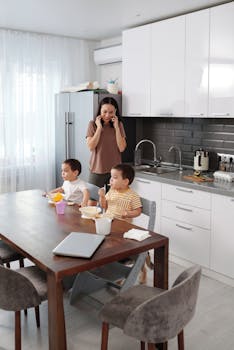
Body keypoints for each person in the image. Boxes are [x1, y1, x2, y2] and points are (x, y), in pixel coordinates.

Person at [98, 163, 151, 284]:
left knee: (113, 250)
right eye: (111, 177)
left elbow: (138, 211)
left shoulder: (132, 196)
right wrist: (102, 197)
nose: (111, 180)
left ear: (125, 181)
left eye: (115, 178)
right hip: (108, 223)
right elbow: (104, 206)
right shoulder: (111, 190)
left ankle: (125, 273)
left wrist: (127, 213)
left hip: (122, 228)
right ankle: (109, 270)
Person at [86, 97, 127, 188]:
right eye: (104, 112)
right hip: (97, 169)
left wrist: (116, 128)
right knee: (91, 201)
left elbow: (121, 148)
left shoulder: (119, 125)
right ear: (100, 110)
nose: (107, 115)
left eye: (111, 112)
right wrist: (99, 128)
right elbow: (91, 147)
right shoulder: (92, 124)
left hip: (115, 172)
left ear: (115, 111)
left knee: (112, 201)